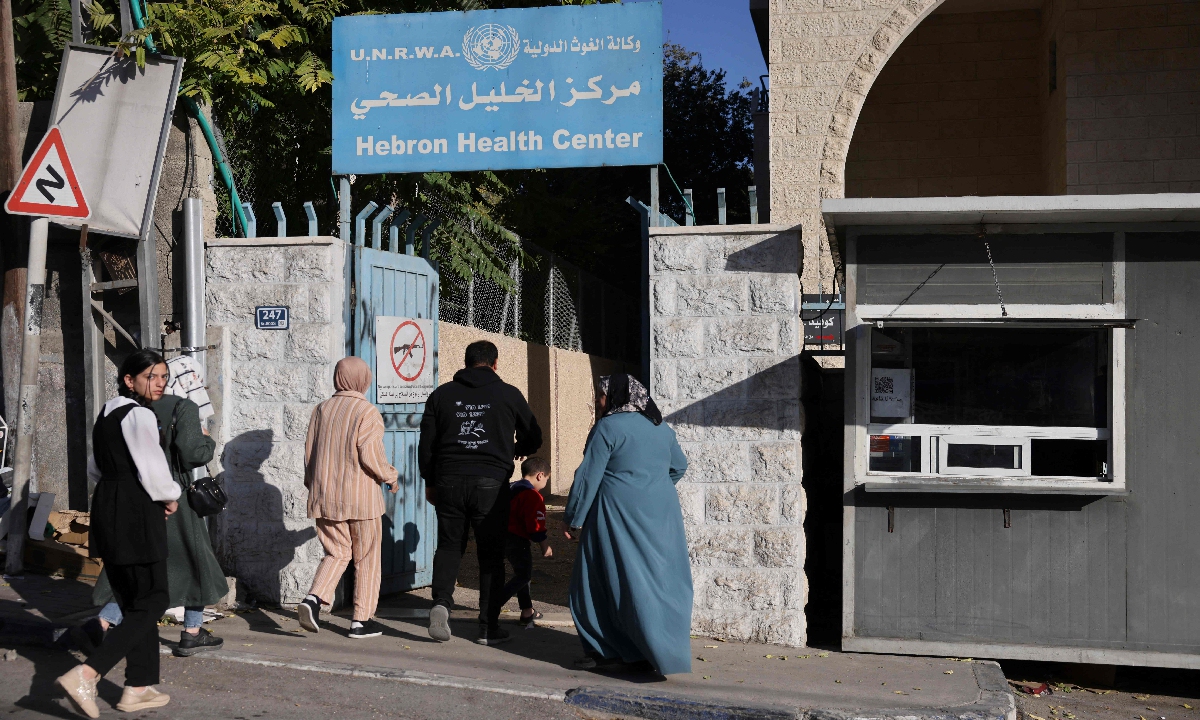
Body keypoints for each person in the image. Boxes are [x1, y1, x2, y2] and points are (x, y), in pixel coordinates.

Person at [55, 350, 180, 717]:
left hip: (108, 505)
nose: (160, 383)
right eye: (151, 376)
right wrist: (169, 496)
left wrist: (119, 487)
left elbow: (95, 467)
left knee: (132, 602)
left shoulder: (107, 412)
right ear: (130, 379)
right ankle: (87, 673)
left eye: (163, 377)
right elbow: (153, 469)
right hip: (136, 511)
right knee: (154, 600)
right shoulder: (139, 415)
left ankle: (138, 687)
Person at [564, 373, 691, 675]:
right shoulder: (662, 429)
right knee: (660, 580)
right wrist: (652, 486)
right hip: (662, 515)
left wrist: (573, 518)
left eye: (602, 394)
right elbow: (679, 466)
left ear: (617, 396)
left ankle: (606, 651)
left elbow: (588, 477)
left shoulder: (608, 427)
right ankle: (655, 651)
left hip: (616, 513)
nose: (598, 400)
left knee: (595, 581)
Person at [419, 340, 543, 646]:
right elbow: (534, 436)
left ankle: (440, 603)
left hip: (448, 479)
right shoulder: (509, 394)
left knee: (449, 546)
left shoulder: (441, 395)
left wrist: (430, 481)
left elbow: (427, 445)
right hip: (491, 483)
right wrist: (516, 450)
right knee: (490, 556)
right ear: (495, 363)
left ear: (465, 363)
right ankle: (487, 627)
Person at [89, 385, 225, 657]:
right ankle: (191, 632)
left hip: (133, 495)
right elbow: (192, 454)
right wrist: (207, 439)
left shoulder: (121, 407)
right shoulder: (182, 406)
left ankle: (102, 623)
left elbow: (98, 462)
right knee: (194, 562)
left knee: (138, 566)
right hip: (171, 496)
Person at [296, 356, 399, 639]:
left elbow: (310, 454)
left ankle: (313, 600)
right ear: (362, 379)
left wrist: (314, 485)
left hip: (325, 496)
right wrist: (390, 476)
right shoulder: (367, 411)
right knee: (366, 557)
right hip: (361, 499)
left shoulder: (321, 410)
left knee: (337, 552)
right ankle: (360, 622)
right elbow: (370, 455)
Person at [496, 456, 553, 626]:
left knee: (522, 574)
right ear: (540, 475)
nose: (545, 484)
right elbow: (535, 525)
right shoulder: (532, 496)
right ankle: (492, 605)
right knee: (523, 575)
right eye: (547, 480)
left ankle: (527, 611)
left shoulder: (510, 487)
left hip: (502, 536)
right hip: (517, 539)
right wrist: (545, 545)